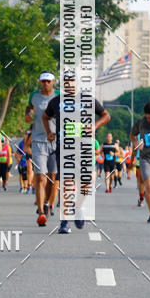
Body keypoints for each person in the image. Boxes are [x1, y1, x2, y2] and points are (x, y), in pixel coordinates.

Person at [42, 73, 109, 234]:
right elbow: (45, 116)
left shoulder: (87, 99)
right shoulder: (56, 101)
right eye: (66, 83)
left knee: (86, 184)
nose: (69, 85)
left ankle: (77, 207)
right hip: (64, 148)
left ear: (77, 84)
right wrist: (49, 132)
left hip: (84, 147)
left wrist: (94, 126)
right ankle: (64, 222)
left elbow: (106, 115)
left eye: (72, 82)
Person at [26, 72, 58, 226]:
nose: (45, 84)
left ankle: (46, 202)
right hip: (38, 139)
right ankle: (40, 212)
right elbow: (29, 109)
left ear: (53, 82)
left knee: (53, 177)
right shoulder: (34, 95)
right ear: (40, 82)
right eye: (43, 81)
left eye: (48, 81)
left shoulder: (59, 96)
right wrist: (28, 115)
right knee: (40, 177)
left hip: (56, 141)